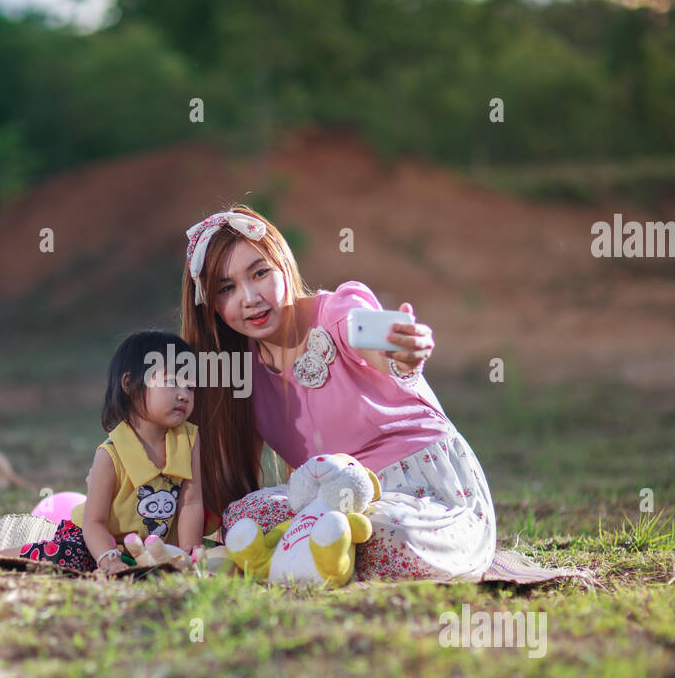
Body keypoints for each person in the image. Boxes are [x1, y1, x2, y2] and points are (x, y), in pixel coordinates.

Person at [180, 205, 496, 581]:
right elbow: (232, 479)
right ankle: (322, 555)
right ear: (210, 306)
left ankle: (306, 559)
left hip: (421, 491)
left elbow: (369, 333)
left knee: (388, 537)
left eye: (260, 273)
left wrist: (399, 346)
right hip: (329, 501)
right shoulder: (239, 370)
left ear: (283, 262)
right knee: (244, 518)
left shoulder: (338, 311)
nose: (249, 297)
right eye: (226, 288)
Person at [0, 330, 206, 575]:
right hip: (98, 540)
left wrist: (188, 552)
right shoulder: (111, 454)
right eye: (172, 382)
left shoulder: (188, 438)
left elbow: (191, 502)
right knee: (68, 557)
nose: (184, 394)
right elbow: (94, 523)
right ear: (130, 384)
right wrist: (108, 559)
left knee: (207, 552)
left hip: (151, 547)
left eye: (190, 386)